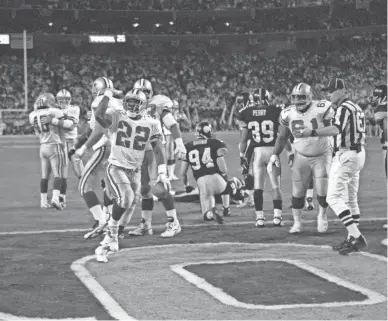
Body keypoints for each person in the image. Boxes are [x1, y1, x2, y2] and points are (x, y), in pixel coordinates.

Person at [94, 88, 169, 262]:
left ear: (143, 105)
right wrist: (107, 95)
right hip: (116, 167)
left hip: (134, 170)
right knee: (126, 199)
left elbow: (158, 148)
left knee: (130, 202)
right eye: (130, 102)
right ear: (125, 102)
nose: (133, 106)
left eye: (137, 102)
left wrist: (163, 171)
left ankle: (110, 239)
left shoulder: (152, 123)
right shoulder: (117, 115)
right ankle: (110, 235)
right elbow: (99, 116)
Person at [268, 83, 333, 234]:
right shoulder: (287, 113)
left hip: (322, 155)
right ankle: (297, 222)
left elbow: (332, 129)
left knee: (323, 190)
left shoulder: (322, 107)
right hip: (301, 156)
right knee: (297, 191)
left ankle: (322, 216)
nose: (297, 100)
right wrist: (274, 154)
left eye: (301, 97)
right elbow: (282, 136)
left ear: (310, 97)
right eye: (295, 97)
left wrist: (314, 133)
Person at [318, 78, 367, 255]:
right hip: (358, 153)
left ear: (342, 90)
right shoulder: (355, 107)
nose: (328, 94)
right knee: (351, 199)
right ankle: (351, 239)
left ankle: (356, 237)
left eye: (331, 91)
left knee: (333, 198)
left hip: (347, 154)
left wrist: (312, 132)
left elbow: (336, 129)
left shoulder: (343, 108)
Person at [128, 90, 185, 238]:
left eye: (147, 92)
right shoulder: (130, 108)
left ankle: (174, 223)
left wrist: (179, 143)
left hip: (154, 151)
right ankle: (146, 225)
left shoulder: (157, 104)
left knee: (159, 188)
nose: (144, 95)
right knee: (144, 190)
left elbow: (172, 124)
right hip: (138, 152)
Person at [72, 77, 123, 239]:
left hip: (105, 147)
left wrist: (83, 149)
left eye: (95, 85)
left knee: (84, 186)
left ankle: (102, 221)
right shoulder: (115, 102)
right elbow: (91, 128)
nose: (93, 88)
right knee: (110, 188)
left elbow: (99, 130)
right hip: (117, 148)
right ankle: (111, 223)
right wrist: (78, 144)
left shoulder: (101, 101)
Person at [237, 88, 285, 227]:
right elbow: (282, 134)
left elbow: (244, 139)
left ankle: (259, 219)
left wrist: (242, 155)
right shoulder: (275, 110)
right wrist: (290, 151)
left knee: (258, 187)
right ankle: (277, 218)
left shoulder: (246, 112)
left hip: (257, 152)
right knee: (276, 186)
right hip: (272, 151)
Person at [29, 93, 75, 210]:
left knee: (44, 176)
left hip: (42, 146)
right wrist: (54, 120)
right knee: (58, 174)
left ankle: (43, 202)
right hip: (54, 145)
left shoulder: (32, 114)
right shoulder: (54, 111)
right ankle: (55, 199)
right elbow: (70, 126)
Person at [181, 121, 230, 223]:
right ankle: (226, 208)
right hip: (217, 180)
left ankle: (211, 212)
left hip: (201, 183)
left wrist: (187, 186)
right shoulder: (216, 143)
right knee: (232, 181)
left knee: (207, 216)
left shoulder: (187, 146)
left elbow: (182, 173)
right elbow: (223, 169)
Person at [55, 89, 82, 208]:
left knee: (80, 172)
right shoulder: (54, 110)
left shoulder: (74, 109)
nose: (63, 102)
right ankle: (62, 199)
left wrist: (56, 121)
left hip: (73, 143)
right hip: (61, 143)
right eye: (61, 100)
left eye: (65, 99)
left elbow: (70, 126)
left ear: (69, 100)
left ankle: (90, 192)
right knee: (62, 172)